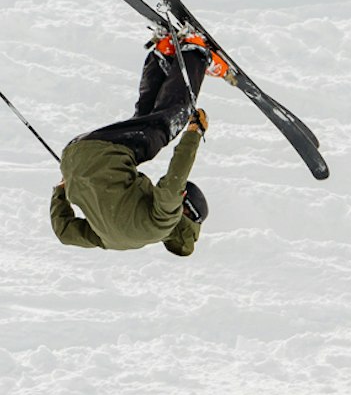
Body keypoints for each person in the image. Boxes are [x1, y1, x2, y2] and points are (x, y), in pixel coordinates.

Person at [51, 36, 223, 255]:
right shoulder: (114, 241)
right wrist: (60, 191)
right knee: (144, 128)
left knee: (167, 123)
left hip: (105, 152)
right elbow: (65, 232)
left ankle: (195, 53)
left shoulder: (164, 222)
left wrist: (195, 132)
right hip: (72, 157)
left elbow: (173, 183)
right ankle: (162, 57)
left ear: (186, 213)